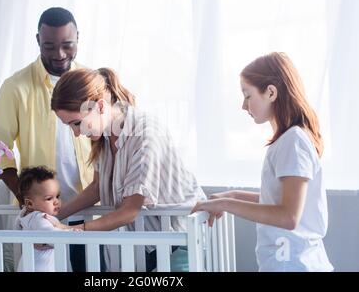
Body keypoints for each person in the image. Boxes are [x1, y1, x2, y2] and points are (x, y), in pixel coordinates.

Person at [50, 67, 207, 271]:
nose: (77, 133)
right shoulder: (106, 137)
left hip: (183, 238)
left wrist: (72, 231)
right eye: (70, 126)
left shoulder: (145, 134)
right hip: (156, 244)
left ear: (99, 106)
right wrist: (54, 216)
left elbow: (129, 211)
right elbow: (98, 187)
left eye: (77, 123)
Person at [192, 52, 333, 272]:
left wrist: (226, 204)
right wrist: (234, 195)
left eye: (247, 96)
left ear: (271, 92)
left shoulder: (293, 141)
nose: (243, 105)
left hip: (295, 266)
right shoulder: (288, 141)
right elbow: (280, 201)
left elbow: (289, 216)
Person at [0, 7, 93, 271]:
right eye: (49, 46)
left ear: (78, 38)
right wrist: (32, 204)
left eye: (67, 45)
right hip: (41, 217)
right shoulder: (16, 87)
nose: (59, 54)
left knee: (91, 272)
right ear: (37, 40)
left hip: (87, 206)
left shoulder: (90, 82)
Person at [16, 166, 79, 272]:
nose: (56, 202)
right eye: (49, 198)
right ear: (29, 203)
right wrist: (72, 232)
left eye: (57, 196)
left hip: (28, 265)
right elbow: (51, 235)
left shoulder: (24, 216)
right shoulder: (39, 218)